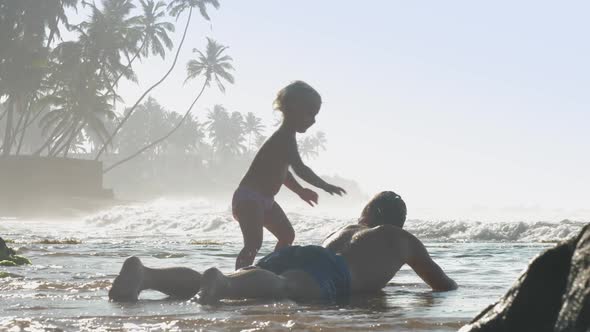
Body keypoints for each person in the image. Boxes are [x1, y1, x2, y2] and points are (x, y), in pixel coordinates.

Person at [108, 191, 457, 303]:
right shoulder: (401, 239)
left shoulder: (346, 229)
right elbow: (442, 285)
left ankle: (147, 275)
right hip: (329, 273)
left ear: (364, 214)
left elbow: (322, 258)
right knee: (285, 287)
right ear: (400, 222)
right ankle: (223, 284)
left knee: (235, 279)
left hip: (303, 253)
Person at [232, 80, 346, 270]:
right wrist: (325, 186)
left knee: (286, 235)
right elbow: (300, 168)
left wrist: (300, 191)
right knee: (253, 244)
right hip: (248, 198)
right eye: (310, 113)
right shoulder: (283, 137)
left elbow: (284, 174)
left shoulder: (288, 138)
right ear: (294, 108)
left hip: (265, 200)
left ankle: (270, 270)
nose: (313, 120)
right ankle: (235, 279)